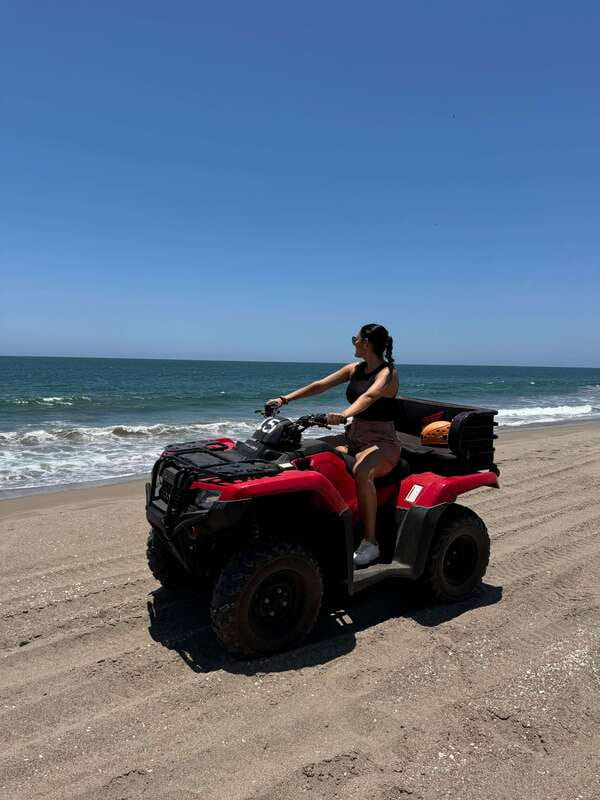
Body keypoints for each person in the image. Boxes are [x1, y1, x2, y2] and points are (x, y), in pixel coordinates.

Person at [266, 323, 402, 567]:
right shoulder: (354, 369)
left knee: (363, 471)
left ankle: (370, 542)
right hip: (354, 437)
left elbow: (369, 397)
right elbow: (321, 384)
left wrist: (343, 414)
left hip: (383, 443)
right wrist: (284, 399)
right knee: (310, 451)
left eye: (355, 339)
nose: (353, 342)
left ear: (366, 343)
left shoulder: (388, 373)